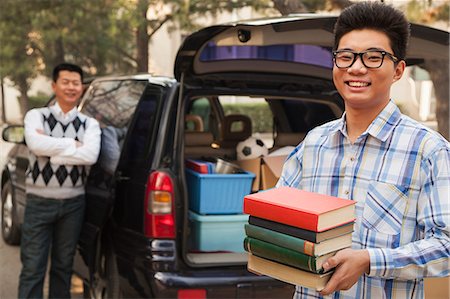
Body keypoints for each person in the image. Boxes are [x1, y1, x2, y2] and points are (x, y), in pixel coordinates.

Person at [277, 2, 449, 298]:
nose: (356, 67)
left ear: (398, 70)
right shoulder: (313, 144)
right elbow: (279, 219)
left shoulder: (428, 150)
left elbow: (446, 247)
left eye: (373, 57)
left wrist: (371, 261)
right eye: (345, 57)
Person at [18, 63, 101, 298]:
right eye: (65, 82)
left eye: (76, 83)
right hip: (39, 202)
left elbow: (90, 156)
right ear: (54, 86)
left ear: (82, 88)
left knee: (63, 267)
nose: (71, 87)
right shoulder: (36, 116)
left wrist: (52, 153)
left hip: (73, 204)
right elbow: (35, 145)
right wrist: (72, 145)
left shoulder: (89, 124)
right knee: (33, 267)